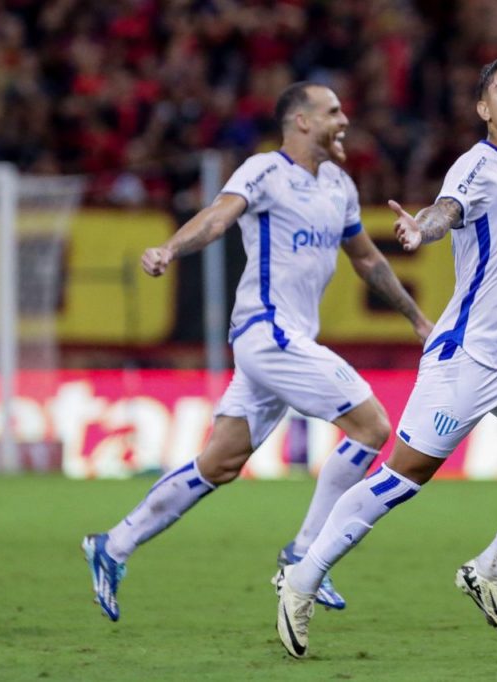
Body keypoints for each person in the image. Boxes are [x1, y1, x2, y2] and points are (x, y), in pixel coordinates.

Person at [273, 53, 497, 658]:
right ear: (485, 108)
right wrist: (422, 229)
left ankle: (489, 567)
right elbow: (447, 209)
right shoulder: (479, 165)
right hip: (468, 356)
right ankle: (302, 576)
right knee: (403, 479)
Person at [82, 82, 432, 622]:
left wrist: (415, 318)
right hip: (266, 331)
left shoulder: (338, 183)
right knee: (372, 427)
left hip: (288, 341)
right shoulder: (264, 171)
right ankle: (305, 555)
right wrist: (170, 248)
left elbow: (366, 260)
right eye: (333, 112)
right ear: (300, 122)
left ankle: (113, 545)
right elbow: (219, 217)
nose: (344, 120)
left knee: (219, 462)